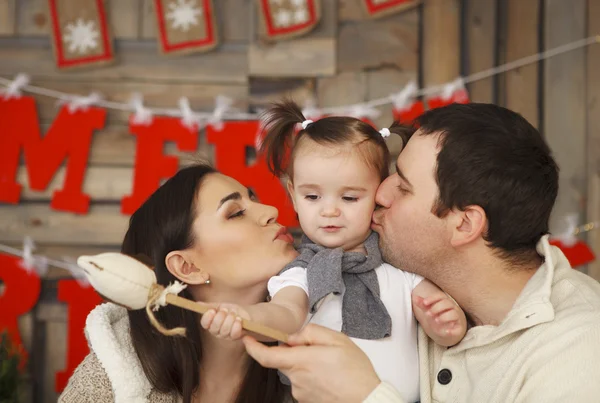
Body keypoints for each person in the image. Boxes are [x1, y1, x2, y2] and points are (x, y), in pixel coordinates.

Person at [242, 102, 600, 403]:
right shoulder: (415, 288)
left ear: (464, 224)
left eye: (404, 186)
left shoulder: (579, 353)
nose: (380, 195)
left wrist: (366, 396)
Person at [200, 100, 466, 401]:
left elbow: (440, 316)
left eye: (349, 198)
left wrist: (444, 323)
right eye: (312, 196)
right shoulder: (301, 271)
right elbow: (285, 313)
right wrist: (246, 318)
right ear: (294, 195)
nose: (329, 211)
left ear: (379, 193)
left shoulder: (400, 263)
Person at [58, 163, 298, 403]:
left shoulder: (307, 369)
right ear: (188, 267)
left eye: (254, 199)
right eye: (235, 213)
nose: (271, 210)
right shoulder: (104, 385)